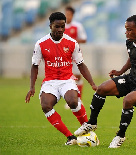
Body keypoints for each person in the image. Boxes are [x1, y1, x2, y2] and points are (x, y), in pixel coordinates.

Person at [74, 15, 136, 148]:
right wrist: (120, 72)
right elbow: (131, 58)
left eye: (130, 30)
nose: (126, 32)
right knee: (101, 88)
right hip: (130, 79)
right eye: (126, 29)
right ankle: (92, 123)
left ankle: (120, 136)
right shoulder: (130, 41)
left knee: (128, 100)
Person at [25, 12, 97, 145]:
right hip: (50, 82)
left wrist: (92, 83)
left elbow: (81, 64)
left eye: (62, 26)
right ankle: (70, 137)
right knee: (45, 105)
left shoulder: (72, 43)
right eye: (57, 26)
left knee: (72, 102)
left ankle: (87, 128)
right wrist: (32, 87)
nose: (60, 30)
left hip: (67, 80)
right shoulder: (41, 44)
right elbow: (35, 66)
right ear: (50, 26)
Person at [64, 6, 87, 107]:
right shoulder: (61, 26)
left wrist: (73, 40)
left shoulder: (77, 26)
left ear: (72, 15)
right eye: (66, 14)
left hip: (75, 55)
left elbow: (84, 39)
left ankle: (78, 99)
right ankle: (69, 100)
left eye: (69, 14)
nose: (67, 16)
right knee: (67, 79)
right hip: (64, 56)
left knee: (77, 77)